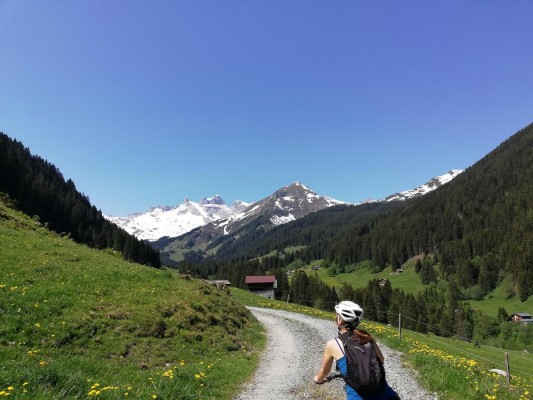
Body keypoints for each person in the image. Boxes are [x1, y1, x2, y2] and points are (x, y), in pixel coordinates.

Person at [314, 301, 400, 400]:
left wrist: (317, 380)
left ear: (340, 320)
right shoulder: (366, 336)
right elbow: (381, 359)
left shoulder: (333, 344)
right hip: (388, 396)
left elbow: (324, 372)